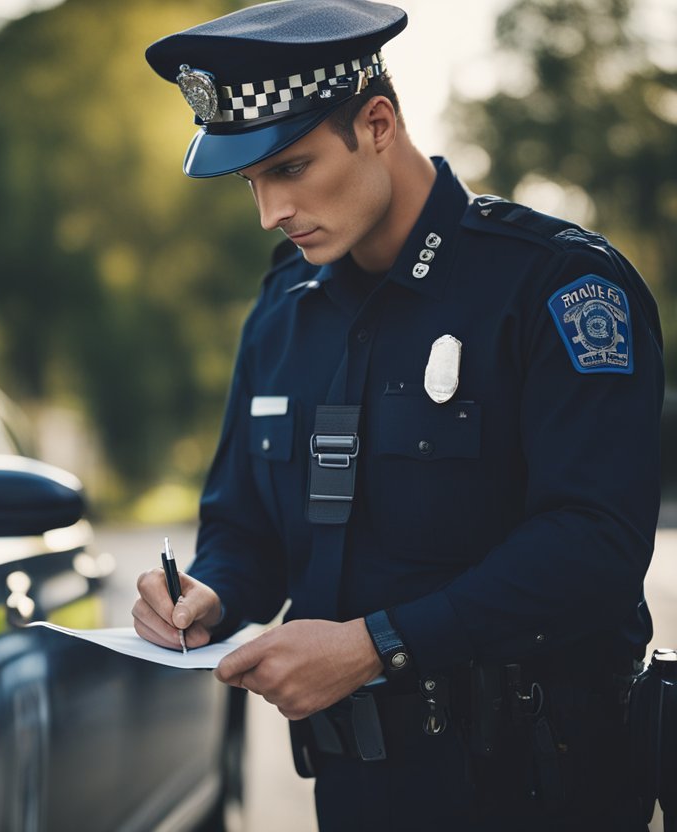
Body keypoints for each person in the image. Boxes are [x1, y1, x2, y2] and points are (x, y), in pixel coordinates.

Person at [130, 1, 664, 829]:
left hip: (538, 788)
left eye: (292, 168)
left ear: (376, 123)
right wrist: (207, 597)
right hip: (355, 793)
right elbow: (245, 530)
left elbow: (595, 545)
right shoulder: (282, 312)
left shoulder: (553, 286)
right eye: (251, 182)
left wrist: (379, 643)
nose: (270, 211)